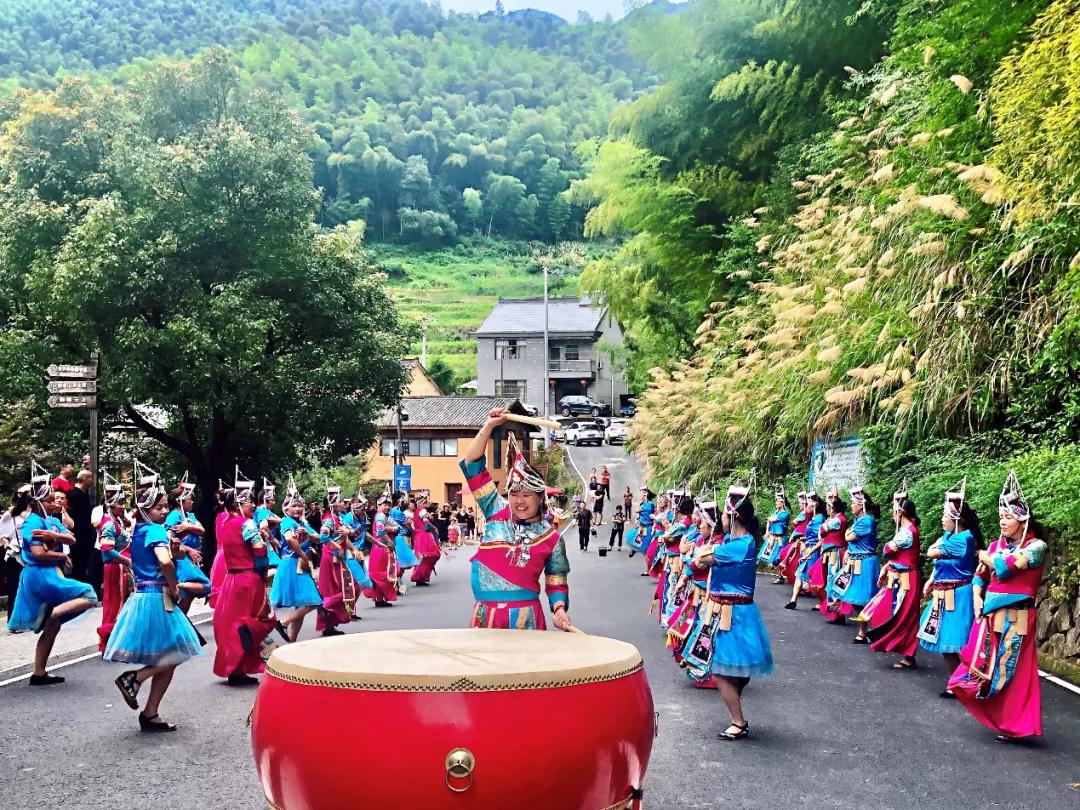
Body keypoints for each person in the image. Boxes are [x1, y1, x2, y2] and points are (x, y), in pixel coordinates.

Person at [948, 471, 1045, 741]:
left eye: (1008, 517)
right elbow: (979, 576)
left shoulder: (1036, 547)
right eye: (1001, 516)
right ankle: (999, 719)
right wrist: (977, 595)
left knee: (1014, 670)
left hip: (1018, 617)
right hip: (991, 615)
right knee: (980, 663)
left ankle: (1016, 725)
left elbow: (1006, 567)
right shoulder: (995, 545)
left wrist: (985, 556)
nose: (1002, 521)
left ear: (1022, 520)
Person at [107, 466, 203, 731]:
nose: (164, 511)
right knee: (179, 650)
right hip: (158, 598)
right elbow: (165, 562)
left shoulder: (138, 530)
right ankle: (136, 678)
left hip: (143, 596)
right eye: (159, 507)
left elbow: (168, 557)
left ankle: (150, 713)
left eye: (164, 507)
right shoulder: (156, 530)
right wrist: (174, 587)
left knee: (169, 657)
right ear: (145, 508)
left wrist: (176, 551)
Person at [460, 408, 572, 631]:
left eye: (527, 495)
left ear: (540, 498)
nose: (519, 501)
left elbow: (556, 578)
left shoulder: (551, 538)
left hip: (526, 616)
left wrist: (559, 608)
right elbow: (472, 464)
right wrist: (489, 426)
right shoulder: (494, 509)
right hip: (485, 615)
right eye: (514, 494)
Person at [682, 483, 773, 740]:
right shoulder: (735, 541)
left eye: (724, 513)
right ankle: (737, 710)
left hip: (733, 616)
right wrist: (700, 552)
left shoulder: (740, 545)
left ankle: (739, 721)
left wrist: (698, 551)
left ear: (733, 517)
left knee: (720, 671)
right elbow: (700, 558)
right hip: (723, 612)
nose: (721, 518)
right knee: (729, 668)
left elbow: (702, 559)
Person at [8, 463, 98, 683]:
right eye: (49, 500)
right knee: (89, 594)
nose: (54, 503)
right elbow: (38, 554)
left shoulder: (50, 521)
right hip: (40, 574)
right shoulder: (31, 523)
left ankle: (38, 673)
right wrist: (60, 555)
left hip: (50, 572)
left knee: (53, 626)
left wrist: (53, 536)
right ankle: (52, 612)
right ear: (35, 502)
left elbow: (72, 538)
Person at [918, 481, 979, 696]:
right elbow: (938, 559)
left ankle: (966, 682)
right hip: (943, 593)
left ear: (957, 518)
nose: (942, 519)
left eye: (945, 515)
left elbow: (931, 552)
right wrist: (931, 579)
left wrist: (935, 546)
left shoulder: (964, 539)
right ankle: (957, 681)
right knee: (944, 640)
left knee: (957, 641)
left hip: (959, 595)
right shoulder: (949, 537)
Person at [213, 486, 276, 685]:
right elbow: (258, 547)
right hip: (249, 578)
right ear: (238, 503)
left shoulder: (224, 523)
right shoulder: (246, 523)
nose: (254, 506)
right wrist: (263, 562)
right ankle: (246, 630)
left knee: (230, 621)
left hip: (231, 579)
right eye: (250, 502)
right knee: (265, 618)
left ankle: (237, 670)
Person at [858, 484, 921, 670]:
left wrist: (888, 551)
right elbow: (891, 553)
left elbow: (888, 550)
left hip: (906, 579)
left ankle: (908, 655)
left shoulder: (907, 532)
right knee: (887, 612)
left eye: (894, 511)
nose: (892, 515)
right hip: (898, 578)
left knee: (905, 616)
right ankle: (902, 651)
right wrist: (887, 566)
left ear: (900, 512)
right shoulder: (905, 531)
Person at [269, 478, 324, 640]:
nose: (298, 508)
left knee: (301, 605)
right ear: (286, 509)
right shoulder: (287, 521)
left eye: (300, 505)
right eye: (294, 506)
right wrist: (303, 555)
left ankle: (292, 641)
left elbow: (319, 538)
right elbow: (289, 539)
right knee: (314, 601)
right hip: (292, 564)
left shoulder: (303, 523)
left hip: (299, 564)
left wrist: (307, 534)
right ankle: (283, 623)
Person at [834, 487, 881, 643]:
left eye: (853, 503)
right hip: (855, 561)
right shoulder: (858, 520)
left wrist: (848, 533)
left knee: (864, 598)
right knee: (853, 597)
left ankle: (865, 631)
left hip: (865, 563)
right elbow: (849, 537)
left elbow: (849, 537)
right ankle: (865, 629)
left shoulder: (867, 520)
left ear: (861, 505)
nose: (851, 505)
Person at [96, 475, 133, 653]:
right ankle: (111, 640)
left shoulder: (117, 521)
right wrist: (127, 561)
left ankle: (119, 641)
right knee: (115, 604)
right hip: (115, 568)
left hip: (120, 568)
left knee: (123, 602)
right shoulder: (109, 524)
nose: (123, 506)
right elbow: (107, 550)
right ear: (110, 503)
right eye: (120, 503)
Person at [164, 476, 211, 614]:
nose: (192, 501)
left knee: (189, 596)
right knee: (205, 586)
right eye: (189, 499)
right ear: (181, 501)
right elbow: (168, 538)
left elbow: (202, 530)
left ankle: (181, 620)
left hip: (191, 557)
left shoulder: (190, 516)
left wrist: (188, 527)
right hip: (181, 557)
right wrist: (189, 549)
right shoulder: (174, 515)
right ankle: (178, 586)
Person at [316, 483, 353, 637]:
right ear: (333, 504)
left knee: (336, 589)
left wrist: (349, 535)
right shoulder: (329, 520)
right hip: (331, 558)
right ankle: (324, 607)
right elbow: (323, 536)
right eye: (340, 501)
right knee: (340, 589)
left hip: (337, 557)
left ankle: (329, 625)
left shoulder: (338, 518)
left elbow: (349, 531)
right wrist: (337, 546)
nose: (343, 503)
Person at [786, 493, 826, 608]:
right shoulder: (812, 518)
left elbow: (821, 538)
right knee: (800, 574)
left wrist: (811, 550)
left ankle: (821, 601)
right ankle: (793, 600)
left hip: (815, 550)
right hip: (807, 548)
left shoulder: (820, 519)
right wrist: (804, 538)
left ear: (814, 507)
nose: (806, 507)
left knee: (815, 578)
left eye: (809, 505)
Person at [2, 487, 31, 631]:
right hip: (15, 555)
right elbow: (2, 534)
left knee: (28, 587)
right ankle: (14, 622)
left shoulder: (34, 513)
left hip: (32, 555)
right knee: (15, 589)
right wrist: (6, 543)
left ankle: (28, 619)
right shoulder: (10, 515)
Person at [819, 488, 849, 623]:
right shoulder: (837, 519)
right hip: (833, 553)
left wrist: (825, 524)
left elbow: (822, 530)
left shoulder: (838, 520)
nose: (827, 509)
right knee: (832, 579)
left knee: (834, 580)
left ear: (833, 509)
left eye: (829, 507)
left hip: (836, 554)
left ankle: (837, 613)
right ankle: (835, 613)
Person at [362, 497, 399, 607]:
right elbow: (380, 531)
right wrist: (389, 541)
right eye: (384, 505)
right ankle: (380, 598)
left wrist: (391, 529)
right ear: (378, 505)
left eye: (389, 505)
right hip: (382, 548)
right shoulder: (380, 516)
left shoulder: (386, 516)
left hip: (379, 547)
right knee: (384, 573)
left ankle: (379, 599)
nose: (387, 507)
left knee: (381, 573)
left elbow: (398, 528)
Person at [774, 491, 809, 585]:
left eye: (800, 503)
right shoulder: (803, 513)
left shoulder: (806, 513)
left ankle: (803, 583)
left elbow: (796, 522)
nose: (799, 504)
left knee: (797, 560)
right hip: (796, 540)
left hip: (802, 540)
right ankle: (793, 580)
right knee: (785, 556)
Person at [67, 469, 95, 583]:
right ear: (84, 478)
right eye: (90, 478)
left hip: (86, 532)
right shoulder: (73, 494)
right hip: (77, 532)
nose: (92, 480)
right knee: (78, 560)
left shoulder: (85, 493)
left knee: (84, 559)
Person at [756, 486, 790, 569]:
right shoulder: (774, 512)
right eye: (776, 501)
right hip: (772, 536)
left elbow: (772, 519)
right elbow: (769, 521)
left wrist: (770, 519)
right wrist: (767, 531)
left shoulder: (785, 514)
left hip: (780, 537)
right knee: (766, 553)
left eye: (778, 502)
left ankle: (777, 568)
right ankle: (765, 565)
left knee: (778, 555)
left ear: (782, 503)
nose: (776, 503)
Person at [410, 500, 442, 586]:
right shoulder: (422, 511)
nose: (426, 504)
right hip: (424, 535)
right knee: (432, 554)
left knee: (422, 556)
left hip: (418, 536)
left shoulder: (415, 511)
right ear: (421, 503)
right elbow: (426, 522)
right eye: (424, 503)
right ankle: (421, 577)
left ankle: (420, 577)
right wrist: (433, 528)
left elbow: (413, 526)